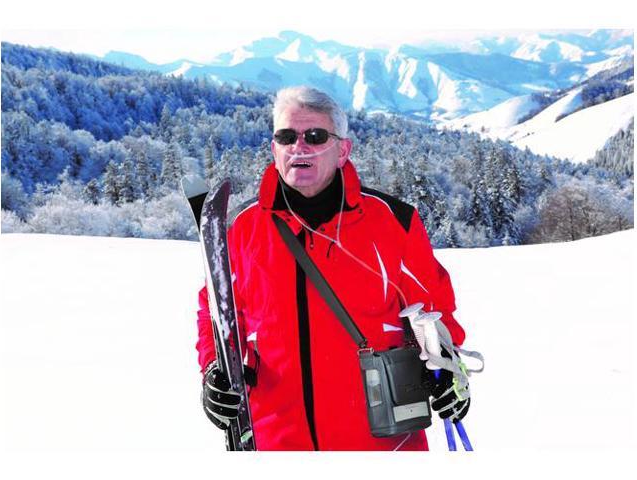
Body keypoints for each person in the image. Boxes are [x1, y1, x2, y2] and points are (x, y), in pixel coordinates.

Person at [196, 86, 468, 451]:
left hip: (384, 443)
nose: (299, 147)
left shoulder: (393, 221)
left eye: (315, 136)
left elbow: (436, 311)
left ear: (342, 150)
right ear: (274, 149)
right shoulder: (243, 229)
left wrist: (449, 371)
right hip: (277, 441)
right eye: (286, 137)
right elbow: (216, 313)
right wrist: (213, 370)